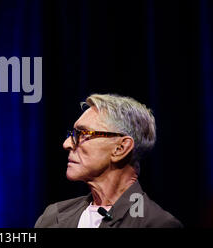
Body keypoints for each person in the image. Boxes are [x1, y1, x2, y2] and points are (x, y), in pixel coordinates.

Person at [35, 93, 182, 228]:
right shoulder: (52, 217)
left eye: (82, 134)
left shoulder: (155, 223)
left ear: (121, 148)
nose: (66, 144)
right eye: (72, 134)